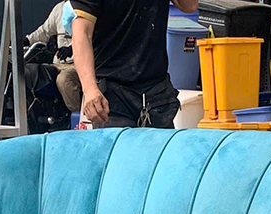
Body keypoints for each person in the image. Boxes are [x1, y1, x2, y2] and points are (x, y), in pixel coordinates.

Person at [71, 0, 198, 128]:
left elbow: (190, 6)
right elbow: (82, 33)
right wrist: (89, 89)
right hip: (112, 93)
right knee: (119, 141)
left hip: (156, 92)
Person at [26, 2, 81, 113]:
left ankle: (79, 117)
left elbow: (91, 35)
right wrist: (27, 40)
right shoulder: (60, 8)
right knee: (31, 72)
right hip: (58, 63)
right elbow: (44, 31)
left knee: (64, 80)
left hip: (79, 64)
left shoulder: (86, 6)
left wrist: (73, 48)